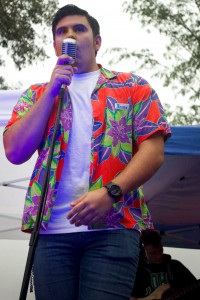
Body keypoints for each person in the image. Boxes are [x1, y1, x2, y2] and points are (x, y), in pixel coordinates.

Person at [3, 4, 171, 300]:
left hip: (113, 229)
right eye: (61, 31)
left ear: (96, 41)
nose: (70, 34)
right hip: (51, 233)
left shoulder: (132, 87)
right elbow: (15, 151)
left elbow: (154, 151)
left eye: (79, 29)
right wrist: (52, 90)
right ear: (55, 44)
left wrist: (111, 192)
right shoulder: (36, 93)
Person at [130, 229, 200, 300]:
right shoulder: (135, 271)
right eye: (153, 253)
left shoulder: (175, 266)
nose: (159, 256)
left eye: (160, 250)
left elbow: (195, 290)